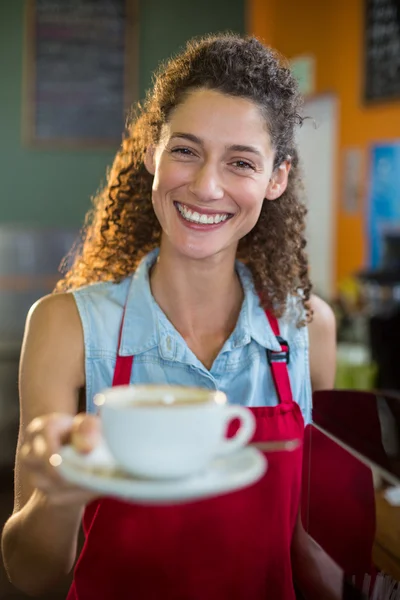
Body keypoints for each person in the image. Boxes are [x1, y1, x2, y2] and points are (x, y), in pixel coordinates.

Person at [2, 34, 337, 599]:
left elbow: (304, 543)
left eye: (241, 162)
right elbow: (32, 577)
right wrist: (56, 495)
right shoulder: (65, 325)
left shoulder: (308, 328)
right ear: (151, 152)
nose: (206, 186)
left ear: (275, 178)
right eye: (185, 150)